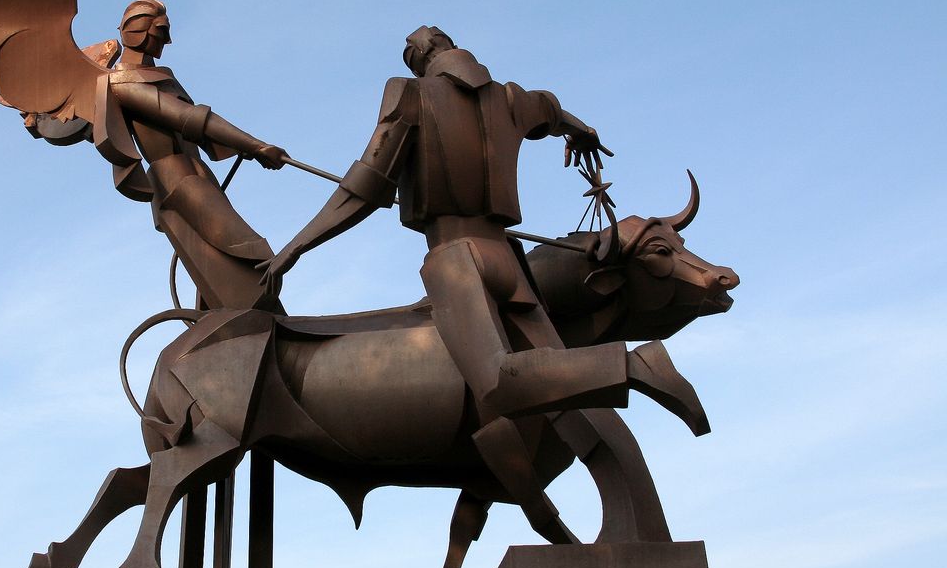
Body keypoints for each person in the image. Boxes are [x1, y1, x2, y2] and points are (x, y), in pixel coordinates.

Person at [261, 26, 695, 539]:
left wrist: (295, 247)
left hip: (455, 259)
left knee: (496, 382)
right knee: (560, 398)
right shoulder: (509, 98)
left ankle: (636, 365)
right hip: (508, 259)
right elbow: (554, 112)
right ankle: (594, 523)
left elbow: (366, 186)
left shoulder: (412, 93)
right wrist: (584, 134)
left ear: (419, 58)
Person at [30, 0, 287, 311]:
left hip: (199, 177)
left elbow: (195, 123)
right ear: (139, 31)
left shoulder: (160, 75)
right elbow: (187, 118)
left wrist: (239, 147)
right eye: (162, 30)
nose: (167, 39)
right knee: (258, 258)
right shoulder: (122, 82)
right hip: (176, 182)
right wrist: (254, 145)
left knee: (230, 285)